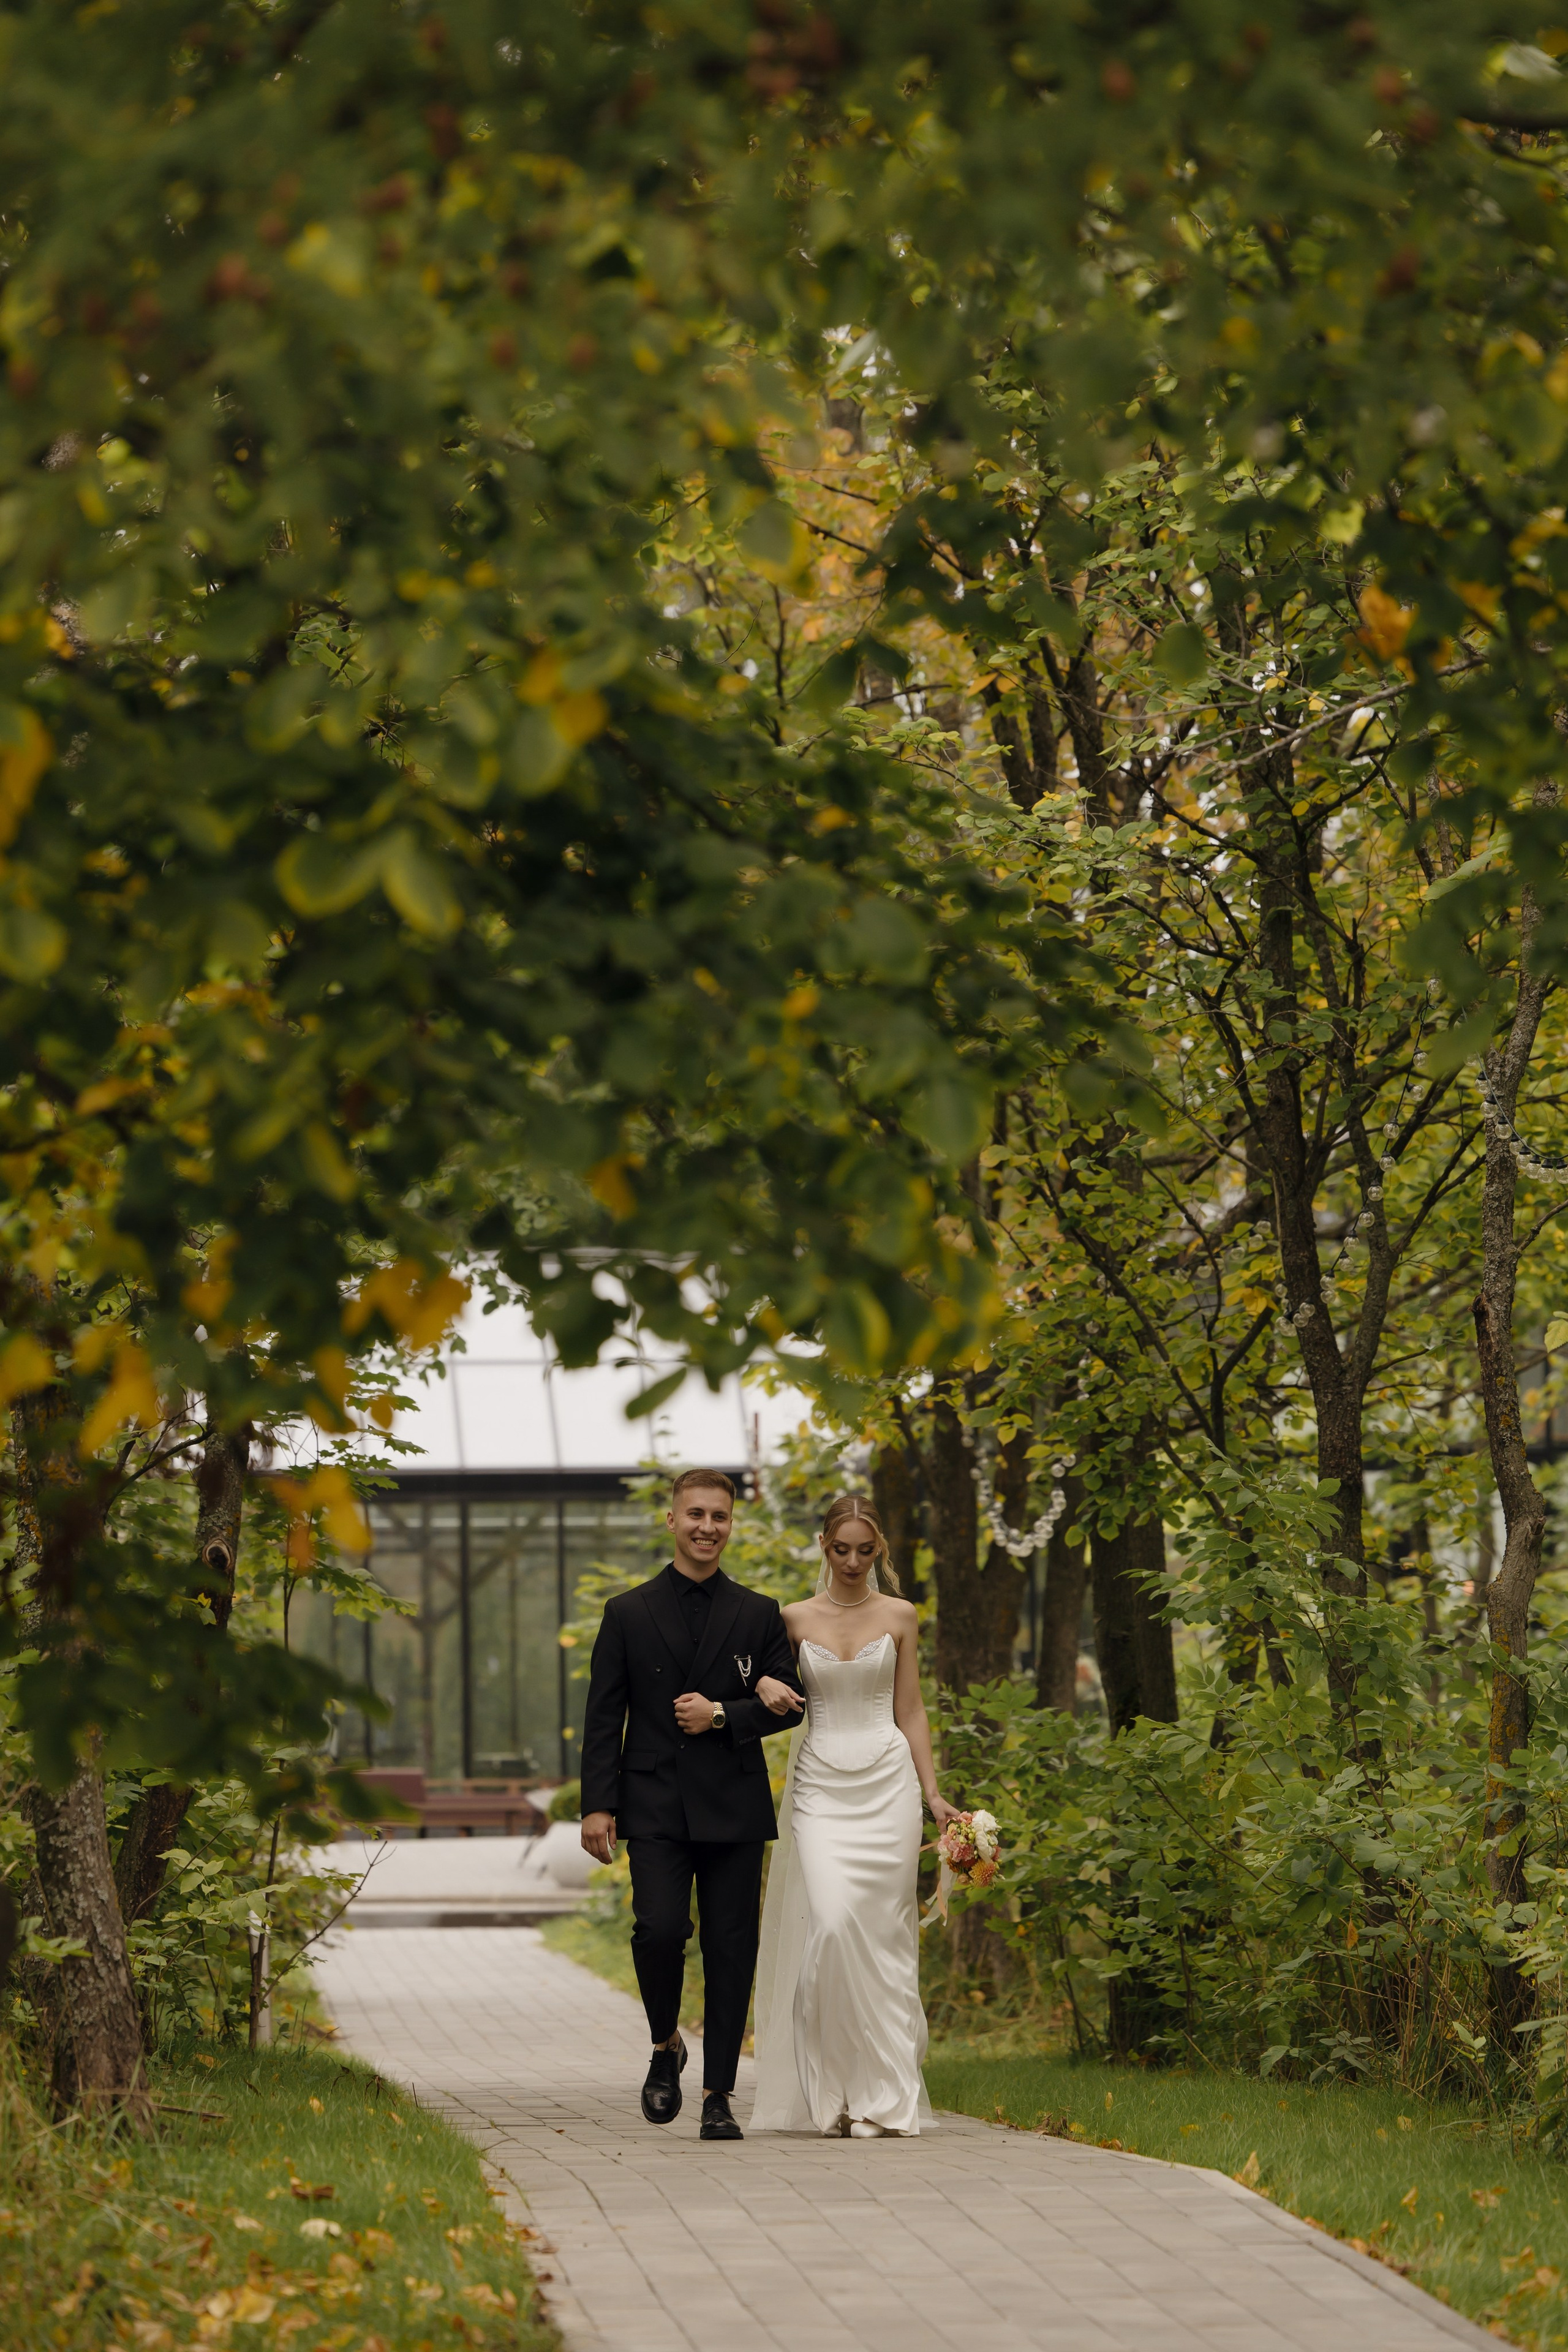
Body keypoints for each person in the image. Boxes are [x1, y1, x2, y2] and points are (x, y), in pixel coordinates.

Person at [578, 1468, 804, 2142]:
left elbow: (791, 1704)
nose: (708, 1527)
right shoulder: (627, 1611)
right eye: (696, 1514)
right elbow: (602, 1716)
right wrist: (597, 1805)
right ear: (671, 1521)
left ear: (732, 1524)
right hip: (652, 1801)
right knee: (658, 1929)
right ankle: (663, 2045)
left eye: (720, 1516)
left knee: (732, 1948)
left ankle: (717, 2095)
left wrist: (722, 1716)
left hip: (732, 1801)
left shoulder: (760, 1612)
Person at [750, 1494, 959, 2138]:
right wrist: (761, 1683)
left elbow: (912, 1710)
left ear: (879, 1552)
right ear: (823, 1545)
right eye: (841, 1549)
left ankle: (881, 2095)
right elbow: (763, 1685)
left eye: (864, 1551)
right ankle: (834, 2090)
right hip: (819, 1789)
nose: (852, 1561)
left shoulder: (899, 1614)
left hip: (888, 1786)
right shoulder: (790, 1618)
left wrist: (932, 1793)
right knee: (834, 1928)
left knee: (884, 1936)